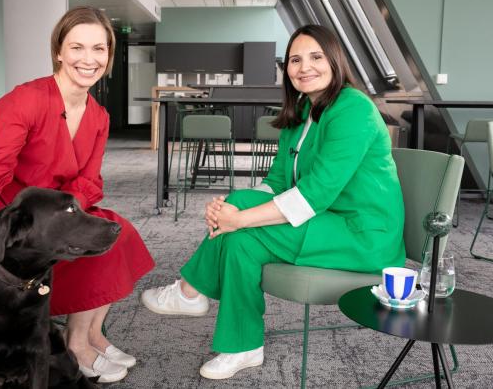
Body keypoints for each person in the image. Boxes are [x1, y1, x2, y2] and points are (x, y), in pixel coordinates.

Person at [141, 24, 406, 380]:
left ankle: (205, 306)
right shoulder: (302, 110)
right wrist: (232, 211)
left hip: (362, 233)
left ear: (335, 60)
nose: (304, 67)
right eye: (295, 59)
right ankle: (230, 333)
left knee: (243, 233)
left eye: (315, 57)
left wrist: (240, 220)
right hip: (326, 219)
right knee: (239, 206)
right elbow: (277, 182)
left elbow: (315, 194)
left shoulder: (353, 108)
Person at [0, 6, 155, 383]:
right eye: (77, 47)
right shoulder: (25, 101)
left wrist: (66, 218)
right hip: (12, 227)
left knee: (116, 230)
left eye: (99, 49)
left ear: (109, 55)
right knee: (94, 239)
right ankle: (77, 344)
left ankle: (88, 335)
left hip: (55, 216)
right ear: (59, 50)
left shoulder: (99, 116)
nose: (88, 59)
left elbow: (89, 182)